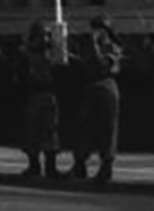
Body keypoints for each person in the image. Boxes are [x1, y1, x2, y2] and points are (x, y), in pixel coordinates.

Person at [71, 15, 122, 186]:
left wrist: (94, 45)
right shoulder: (88, 46)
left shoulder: (113, 48)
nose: (95, 32)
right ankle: (80, 163)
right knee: (84, 125)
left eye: (99, 29)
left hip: (105, 85)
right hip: (90, 86)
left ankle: (106, 166)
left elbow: (102, 64)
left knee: (107, 127)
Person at [17, 20, 61, 178]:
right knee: (32, 130)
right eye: (42, 36)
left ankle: (51, 167)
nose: (45, 40)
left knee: (50, 130)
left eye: (47, 36)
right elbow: (20, 75)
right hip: (33, 93)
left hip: (49, 93)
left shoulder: (52, 53)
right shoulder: (26, 54)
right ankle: (34, 165)